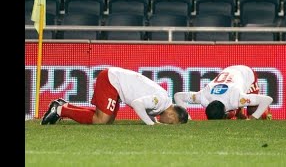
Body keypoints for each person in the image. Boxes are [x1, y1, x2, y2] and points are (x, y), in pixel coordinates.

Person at [41, 67, 189, 125]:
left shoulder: (163, 102)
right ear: (172, 115)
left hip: (115, 82)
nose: (168, 123)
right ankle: (60, 110)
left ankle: (65, 106)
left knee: (107, 120)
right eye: (172, 122)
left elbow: (147, 107)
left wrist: (154, 122)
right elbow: (138, 104)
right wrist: (151, 125)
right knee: (101, 120)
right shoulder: (161, 101)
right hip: (111, 80)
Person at [174, 65, 272, 120]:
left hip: (246, 73)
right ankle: (239, 115)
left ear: (224, 113)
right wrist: (188, 119)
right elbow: (178, 96)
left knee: (255, 111)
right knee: (233, 114)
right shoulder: (203, 96)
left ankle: (267, 116)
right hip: (229, 74)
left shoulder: (236, 99)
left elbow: (267, 99)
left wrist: (253, 118)